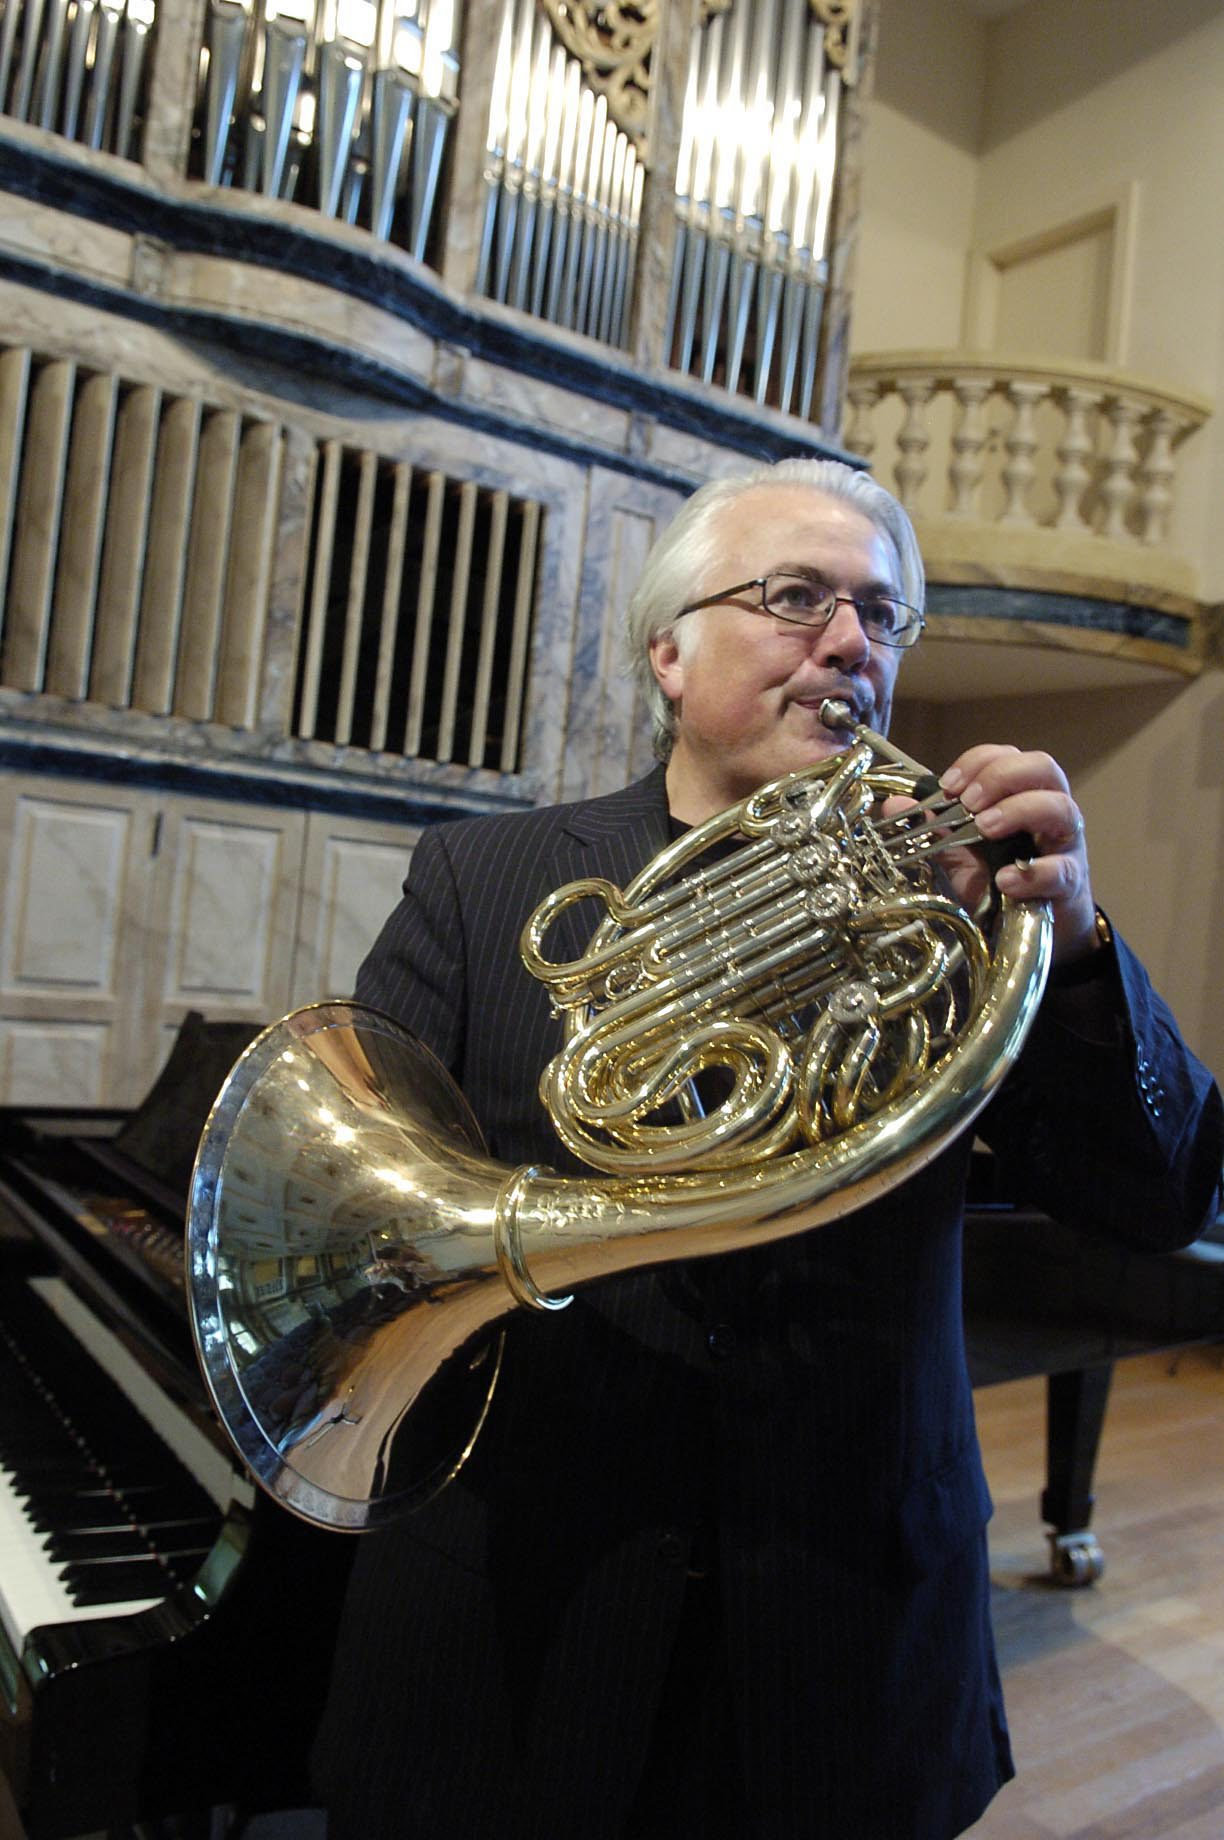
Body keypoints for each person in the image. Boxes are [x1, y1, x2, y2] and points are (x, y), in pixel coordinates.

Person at [311, 458, 1223, 1839]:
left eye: (881, 614)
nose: (852, 642)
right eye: (796, 597)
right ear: (669, 653)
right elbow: (362, 1207)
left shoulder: (971, 920)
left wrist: (1081, 955)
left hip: (849, 1609)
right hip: (523, 1598)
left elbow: (1162, 1206)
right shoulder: (481, 876)